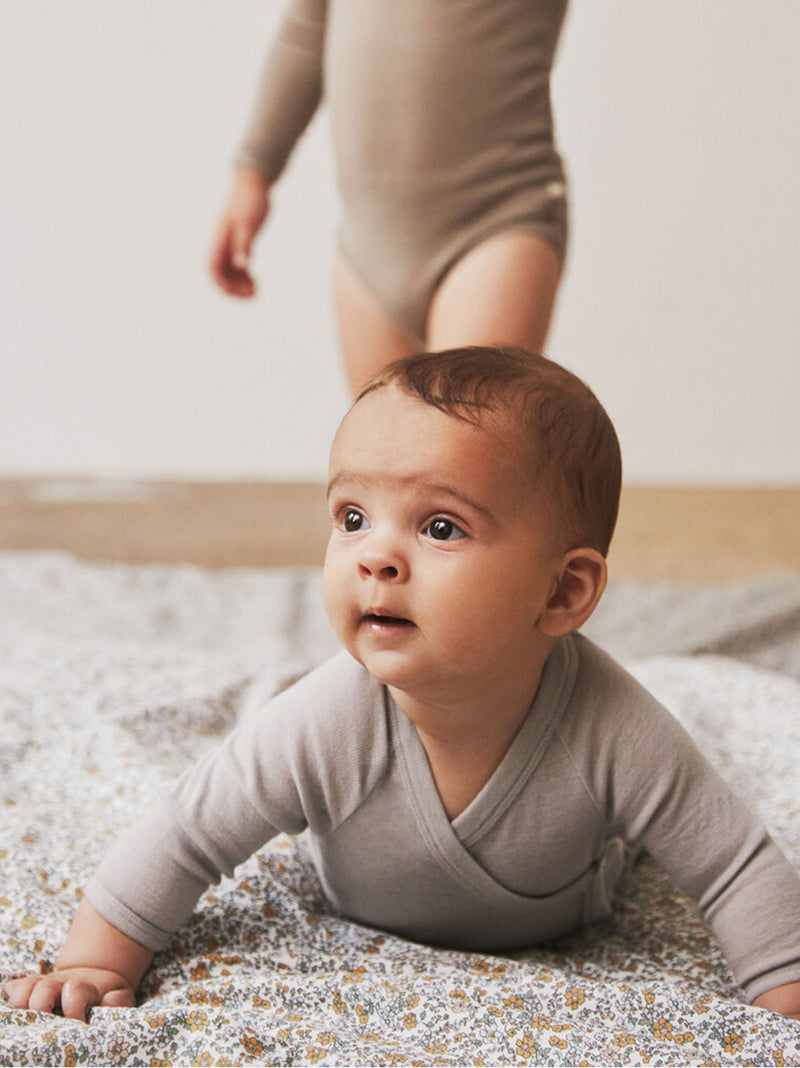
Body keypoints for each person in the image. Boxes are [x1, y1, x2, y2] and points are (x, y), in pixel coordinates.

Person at [6, 346, 800, 1023]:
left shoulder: (614, 728)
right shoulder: (326, 721)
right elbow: (184, 834)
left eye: (440, 526)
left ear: (562, 594)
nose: (374, 557)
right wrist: (98, 963)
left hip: (568, 914)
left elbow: (735, 865)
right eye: (352, 517)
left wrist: (781, 1002)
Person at [209, 1, 569, 393]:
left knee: (458, 444)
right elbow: (307, 31)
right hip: (369, 245)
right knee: (383, 449)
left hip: (497, 220)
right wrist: (254, 174)